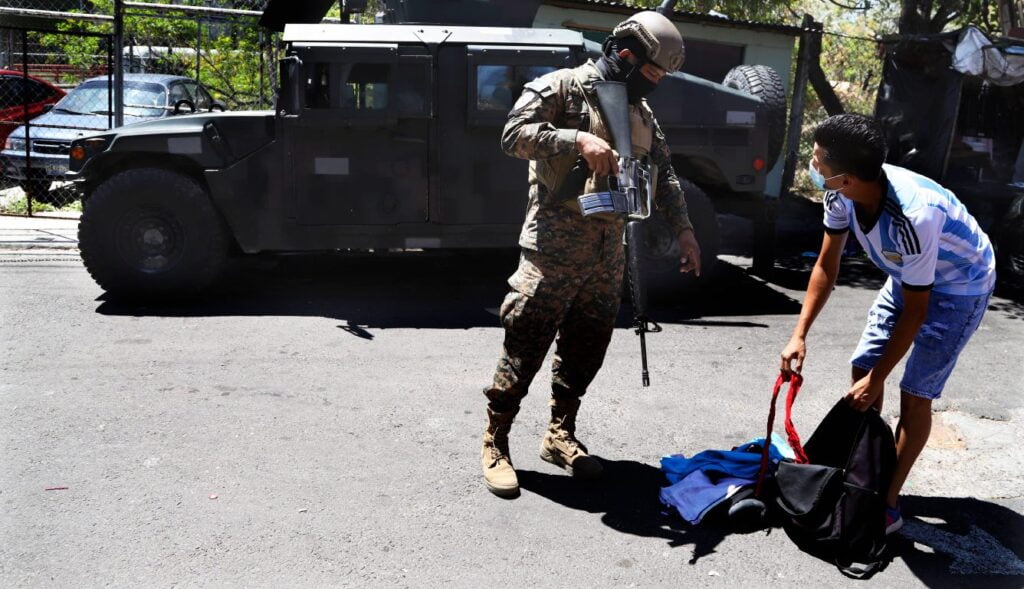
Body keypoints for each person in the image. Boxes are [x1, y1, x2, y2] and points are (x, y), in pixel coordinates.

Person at [480, 11, 702, 498]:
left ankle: (560, 434)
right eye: (652, 73)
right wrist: (575, 138)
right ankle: (495, 441)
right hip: (552, 252)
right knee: (525, 346)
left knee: (586, 348)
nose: (656, 84)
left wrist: (684, 229)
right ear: (625, 56)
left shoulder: (641, 111)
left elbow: (663, 171)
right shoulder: (562, 86)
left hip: (607, 253)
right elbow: (512, 135)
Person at [780, 113, 996, 533]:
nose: (812, 161)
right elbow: (827, 264)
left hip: (961, 286)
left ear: (845, 176)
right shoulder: (840, 195)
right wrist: (798, 335)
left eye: (818, 157)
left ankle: (886, 501)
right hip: (909, 278)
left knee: (914, 393)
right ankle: (866, 474)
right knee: (863, 371)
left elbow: (917, 312)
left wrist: (881, 378)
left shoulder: (913, 218)